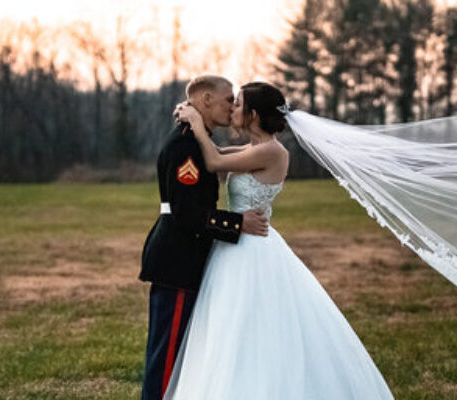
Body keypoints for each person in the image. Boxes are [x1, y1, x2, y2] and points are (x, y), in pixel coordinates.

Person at [162, 82, 394, 399]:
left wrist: (196, 121)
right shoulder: (256, 149)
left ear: (254, 114)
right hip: (236, 242)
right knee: (231, 325)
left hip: (253, 247)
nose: (233, 109)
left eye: (239, 103)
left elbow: (214, 162)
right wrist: (195, 121)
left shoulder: (273, 152)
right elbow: (214, 155)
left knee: (254, 320)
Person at [138, 75, 268, 400]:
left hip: (185, 258)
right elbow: (185, 212)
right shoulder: (185, 145)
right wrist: (237, 223)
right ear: (206, 100)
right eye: (228, 100)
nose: (231, 106)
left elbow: (221, 160)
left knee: (183, 354)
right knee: (166, 359)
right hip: (178, 260)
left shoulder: (197, 140)